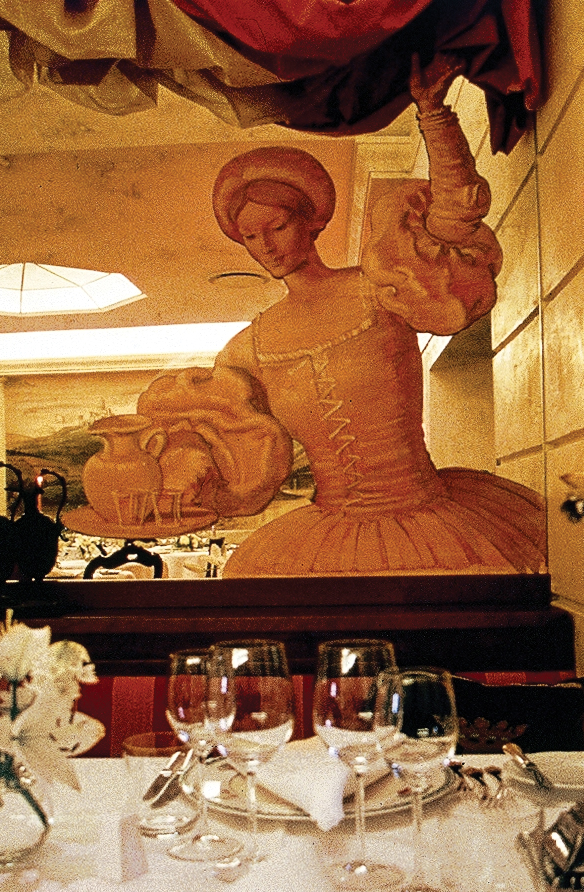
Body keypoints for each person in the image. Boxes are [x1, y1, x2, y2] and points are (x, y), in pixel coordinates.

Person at [134, 54, 545, 577]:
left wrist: (434, 116)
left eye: (277, 225)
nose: (266, 246)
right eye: (250, 236)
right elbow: (224, 444)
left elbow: (455, 212)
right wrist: (184, 470)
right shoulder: (246, 350)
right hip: (323, 538)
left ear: (309, 221)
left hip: (430, 524)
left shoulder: (381, 284)